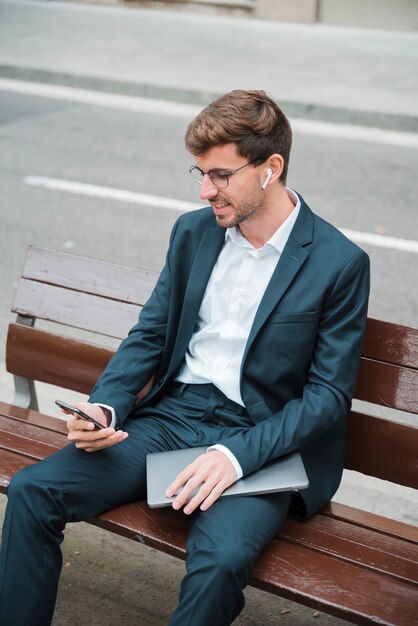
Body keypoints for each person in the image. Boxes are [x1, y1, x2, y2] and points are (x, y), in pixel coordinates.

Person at [0, 89, 370, 626]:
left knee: (219, 562)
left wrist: (236, 456)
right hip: (173, 419)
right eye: (198, 173)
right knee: (34, 491)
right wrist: (105, 408)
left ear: (271, 168)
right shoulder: (194, 233)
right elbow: (150, 333)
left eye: (220, 175)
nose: (205, 191)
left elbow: (328, 397)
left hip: (260, 443)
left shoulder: (338, 262)